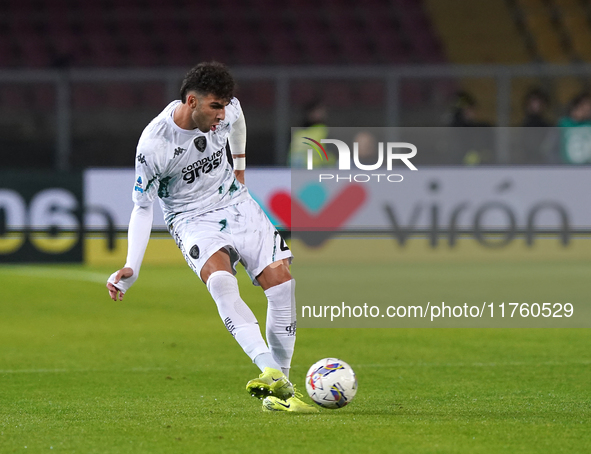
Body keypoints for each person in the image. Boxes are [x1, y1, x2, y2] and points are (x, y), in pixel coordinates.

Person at [106, 62, 317, 413]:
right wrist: (132, 265)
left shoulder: (228, 110)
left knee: (283, 287)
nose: (223, 113)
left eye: (225, 105)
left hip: (234, 200)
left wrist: (240, 168)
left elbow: (239, 118)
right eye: (215, 107)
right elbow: (142, 208)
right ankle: (269, 369)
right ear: (191, 102)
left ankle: (282, 390)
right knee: (221, 281)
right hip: (190, 217)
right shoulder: (155, 145)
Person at [557, 92, 591, 164]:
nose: (588, 108)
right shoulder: (563, 124)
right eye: (585, 105)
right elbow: (552, 147)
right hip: (567, 168)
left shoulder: (589, 125)